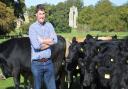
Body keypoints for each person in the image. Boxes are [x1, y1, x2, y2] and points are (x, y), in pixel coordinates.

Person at [28, 4, 57, 89]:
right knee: (37, 87)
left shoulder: (49, 25)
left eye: (43, 13)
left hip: (48, 63)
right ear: (36, 15)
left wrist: (42, 40)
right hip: (37, 64)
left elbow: (55, 40)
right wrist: (49, 41)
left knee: (52, 87)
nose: (42, 16)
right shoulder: (32, 28)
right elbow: (36, 46)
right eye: (40, 14)